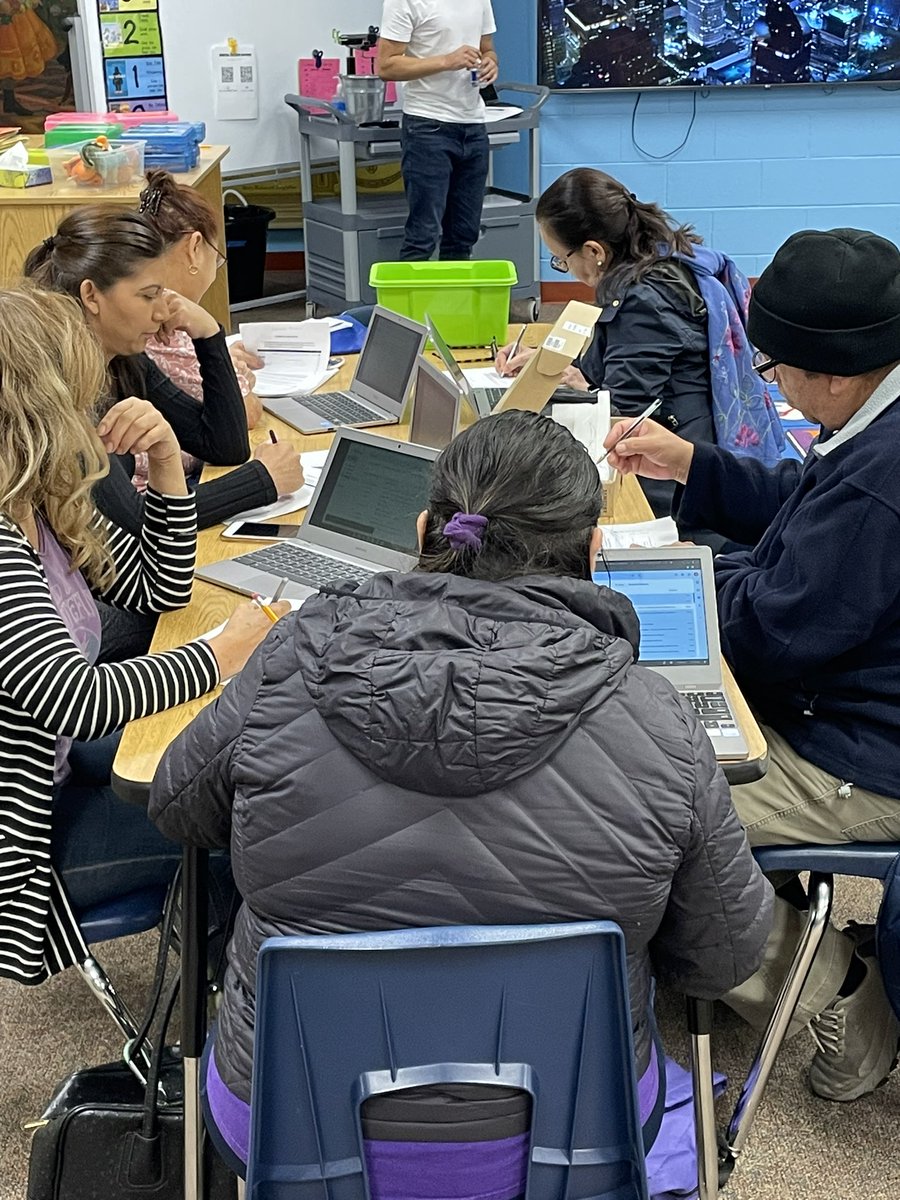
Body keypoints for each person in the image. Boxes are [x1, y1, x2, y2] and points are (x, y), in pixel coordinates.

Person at [149, 409, 771, 1176]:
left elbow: (177, 803)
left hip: (290, 1119)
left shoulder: (294, 657)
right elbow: (724, 955)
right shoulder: (658, 719)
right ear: (594, 550)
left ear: (423, 531)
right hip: (573, 1128)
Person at [605, 226, 900, 1102]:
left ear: (835, 375)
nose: (771, 385)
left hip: (859, 753)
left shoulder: (882, 478)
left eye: (775, 371)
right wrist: (693, 465)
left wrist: (664, 582)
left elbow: (776, 627)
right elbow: (804, 516)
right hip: (835, 701)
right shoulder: (873, 422)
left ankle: (843, 1002)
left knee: (633, 816)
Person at [0, 284, 288, 986]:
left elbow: (161, 591)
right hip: (21, 847)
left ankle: (225, 1005)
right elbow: (75, 700)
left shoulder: (41, 503)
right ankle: (228, 1045)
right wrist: (221, 652)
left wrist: (165, 467)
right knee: (249, 826)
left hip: (51, 773)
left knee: (223, 770)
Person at [497, 168, 784, 525]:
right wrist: (551, 368)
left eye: (562, 259)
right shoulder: (659, 260)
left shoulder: (643, 301)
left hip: (670, 477)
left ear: (594, 251)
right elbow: (623, 370)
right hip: (691, 445)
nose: (566, 271)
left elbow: (622, 414)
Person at [23, 207, 302, 537]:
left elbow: (224, 445)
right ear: (91, 295)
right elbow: (137, 522)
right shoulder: (57, 386)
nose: (161, 311)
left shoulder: (123, 361)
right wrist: (262, 480)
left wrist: (208, 334)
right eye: (148, 295)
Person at [132, 169, 264, 492]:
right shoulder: (161, 321)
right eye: (216, 259)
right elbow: (242, 414)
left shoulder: (151, 311)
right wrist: (229, 367)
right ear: (194, 248)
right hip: (159, 495)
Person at [378, 0, 499, 261]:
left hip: (474, 124)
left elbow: (487, 49)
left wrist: (490, 62)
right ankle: (407, 303)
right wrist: (446, 60)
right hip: (427, 126)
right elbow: (386, 66)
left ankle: (452, 302)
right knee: (423, 234)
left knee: (464, 234)